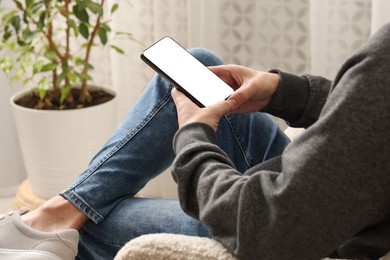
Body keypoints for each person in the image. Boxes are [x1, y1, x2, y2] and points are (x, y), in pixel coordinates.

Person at [1, 21, 389, 260]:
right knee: (197, 65)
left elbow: (269, 226)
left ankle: (48, 223)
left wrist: (194, 135)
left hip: (306, 231)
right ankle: (52, 218)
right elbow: (368, 115)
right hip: (321, 185)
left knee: (90, 222)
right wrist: (284, 91)